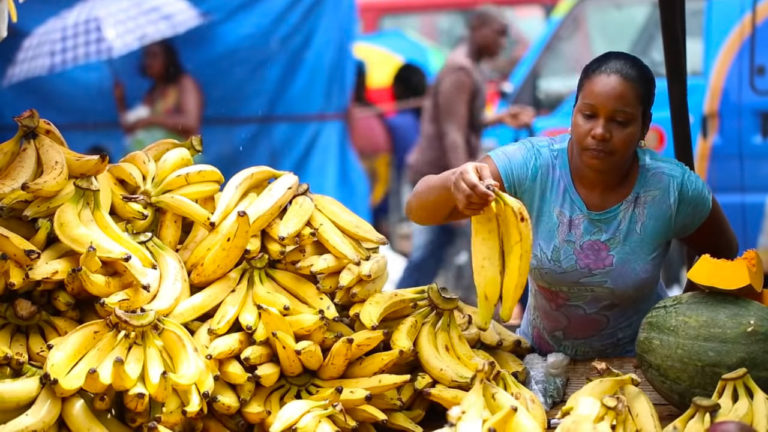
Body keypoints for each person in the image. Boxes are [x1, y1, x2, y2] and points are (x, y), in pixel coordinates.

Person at [404, 51, 738, 359]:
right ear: (574, 111)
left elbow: (724, 251)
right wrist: (456, 181)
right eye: (588, 115)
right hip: (539, 362)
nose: (600, 132)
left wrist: (686, 327)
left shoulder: (671, 187)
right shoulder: (532, 165)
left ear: (644, 125)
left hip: (641, 369)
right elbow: (418, 209)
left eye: (620, 122)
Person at [396, 7, 535, 295]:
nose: (503, 41)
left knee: (439, 253)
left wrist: (501, 117)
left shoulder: (469, 68)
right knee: (428, 255)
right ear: (478, 29)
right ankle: (391, 308)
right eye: (499, 33)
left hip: (449, 174)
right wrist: (465, 181)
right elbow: (453, 133)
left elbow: (464, 122)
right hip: (437, 175)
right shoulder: (460, 70)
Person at [113, 40, 203, 152]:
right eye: (146, 56)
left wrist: (150, 120)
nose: (148, 62)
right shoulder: (152, 92)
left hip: (180, 158)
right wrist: (120, 100)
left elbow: (190, 122)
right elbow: (130, 129)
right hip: (151, 162)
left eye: (154, 56)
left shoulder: (184, 83)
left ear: (167, 58)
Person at [348, 62, 393, 235]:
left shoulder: (361, 109)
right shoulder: (360, 109)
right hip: (365, 164)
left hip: (375, 164)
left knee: (369, 216)